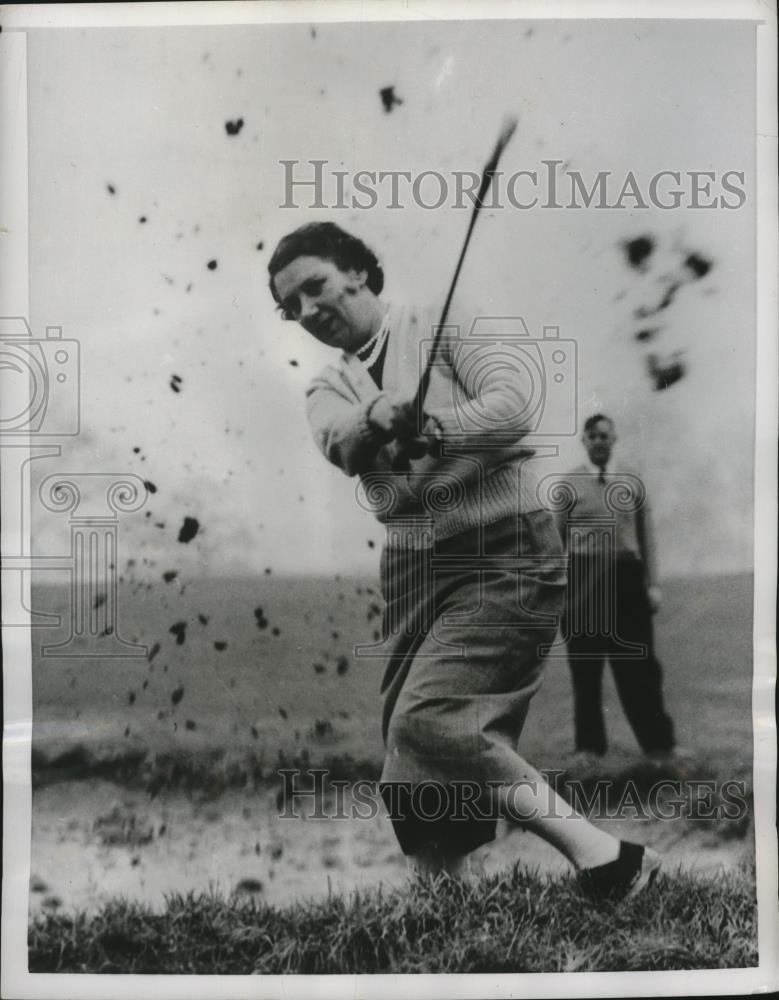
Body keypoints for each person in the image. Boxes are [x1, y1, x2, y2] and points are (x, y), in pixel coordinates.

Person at [267, 221, 660, 897]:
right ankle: (443, 894)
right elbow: (339, 442)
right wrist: (381, 419)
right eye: (290, 306)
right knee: (406, 743)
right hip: (413, 569)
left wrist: (439, 427)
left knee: (435, 721)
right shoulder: (327, 386)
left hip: (503, 547)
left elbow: (513, 407)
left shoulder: (440, 324)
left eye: (315, 287)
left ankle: (610, 860)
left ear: (357, 272)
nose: (306, 312)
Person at [555, 413, 676, 769]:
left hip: (626, 578)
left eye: (605, 436)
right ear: (584, 441)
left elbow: (647, 535)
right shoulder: (568, 485)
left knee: (639, 667)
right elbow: (553, 544)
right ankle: (589, 750)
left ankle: (658, 748)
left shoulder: (632, 480)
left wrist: (652, 584)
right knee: (585, 667)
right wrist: (557, 592)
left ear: (615, 439)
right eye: (593, 436)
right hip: (582, 582)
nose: (600, 442)